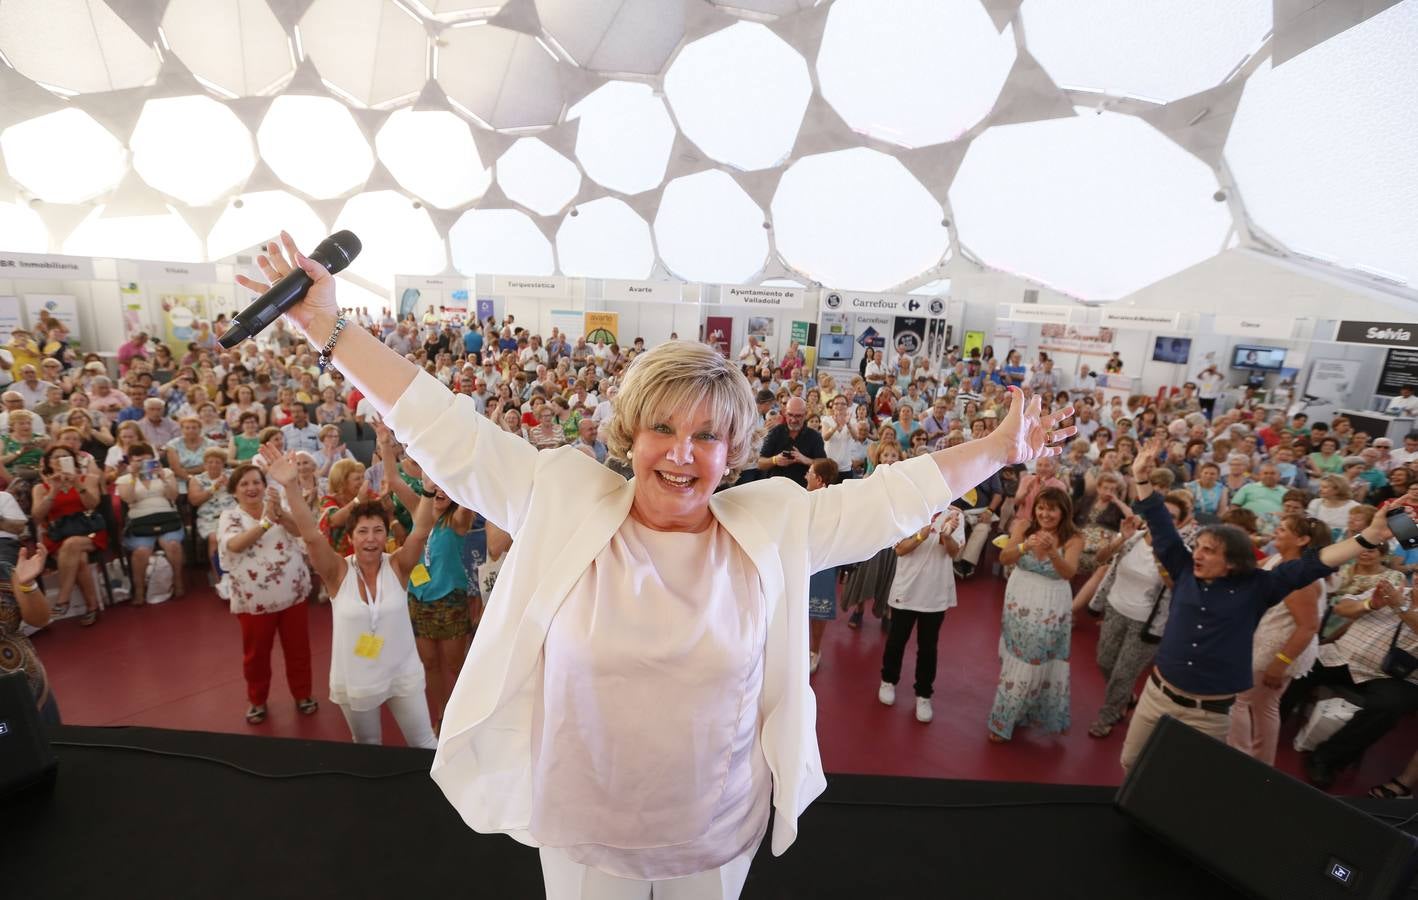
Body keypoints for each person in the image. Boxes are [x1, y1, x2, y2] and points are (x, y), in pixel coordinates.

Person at [234, 230, 1075, 899]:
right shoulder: (562, 496)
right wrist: (329, 326)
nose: (682, 454)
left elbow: (890, 498)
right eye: (663, 430)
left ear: (736, 451)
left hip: (714, 829)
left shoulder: (776, 522)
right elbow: (449, 433)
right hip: (583, 820)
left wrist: (1000, 449)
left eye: (708, 435)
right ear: (628, 436)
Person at [1118, 438, 1391, 773]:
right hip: (1156, 696)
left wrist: (1370, 536)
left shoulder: (1259, 587)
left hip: (1209, 713)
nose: (1197, 554)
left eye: (1208, 550)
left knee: (1189, 779)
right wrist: (1141, 478)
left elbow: (1315, 563)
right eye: (1198, 547)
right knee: (1131, 762)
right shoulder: (1185, 569)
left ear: (1232, 562)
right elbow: (1161, 524)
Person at [264, 446, 438, 749]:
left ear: (386, 535)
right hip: (358, 677)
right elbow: (310, 535)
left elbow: (421, 530)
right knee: (367, 744)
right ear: (351, 536)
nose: (370, 538)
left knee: (424, 743)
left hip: (402, 670)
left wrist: (426, 489)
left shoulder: (397, 566)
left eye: (377, 531)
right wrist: (291, 486)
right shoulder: (337, 573)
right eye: (363, 532)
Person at [216, 462, 320, 725]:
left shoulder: (277, 509)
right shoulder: (230, 517)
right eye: (244, 484)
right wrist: (265, 523)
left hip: (292, 594)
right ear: (235, 490)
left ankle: (303, 695)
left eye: (256, 482)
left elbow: (303, 532)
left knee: (299, 650)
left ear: (265, 486)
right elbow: (235, 545)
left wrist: (280, 515)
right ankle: (257, 700)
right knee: (256, 655)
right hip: (255, 602)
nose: (252, 488)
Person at [1227, 514, 1330, 765]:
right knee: (1264, 706)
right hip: (1267, 643)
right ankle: (1261, 762)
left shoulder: (1301, 580)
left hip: (1275, 652)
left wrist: (1280, 663)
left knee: (1236, 701)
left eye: (1282, 529)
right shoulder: (1279, 559)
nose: (1276, 531)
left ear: (1302, 539)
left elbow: (1308, 627)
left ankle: (1237, 758)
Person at [989, 487, 1082, 742]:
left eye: (1052, 509)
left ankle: (1002, 719)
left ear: (1063, 512)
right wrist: (1023, 545)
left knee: (1032, 661)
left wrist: (1052, 552)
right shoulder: (1023, 526)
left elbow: (1069, 573)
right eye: (1041, 507)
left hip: (1050, 606)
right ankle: (1019, 710)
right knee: (1016, 658)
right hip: (1019, 600)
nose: (1045, 513)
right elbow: (1004, 557)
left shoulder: (1074, 538)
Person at [878, 504, 964, 724]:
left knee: (928, 647)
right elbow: (899, 549)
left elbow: (955, 553)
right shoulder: (909, 510)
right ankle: (888, 680)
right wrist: (920, 536)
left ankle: (923, 695)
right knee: (896, 641)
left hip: (935, 593)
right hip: (906, 590)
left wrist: (946, 536)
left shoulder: (954, 515)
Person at [32, 446, 106, 626]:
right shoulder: (41, 488)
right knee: (78, 558)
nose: (60, 461)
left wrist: (77, 484)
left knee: (72, 544)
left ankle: (62, 599)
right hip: (59, 536)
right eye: (55, 458)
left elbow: (92, 505)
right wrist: (53, 491)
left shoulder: (89, 479)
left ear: (73, 460)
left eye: (65, 457)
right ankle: (91, 607)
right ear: (48, 463)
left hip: (89, 531)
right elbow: (37, 517)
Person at [114, 443, 186, 605]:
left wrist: (162, 478)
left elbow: (174, 496)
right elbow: (129, 499)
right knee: (141, 551)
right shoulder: (125, 478)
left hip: (167, 517)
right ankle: (139, 590)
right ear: (131, 461)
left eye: (147, 460)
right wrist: (133, 477)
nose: (143, 463)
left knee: (173, 544)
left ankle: (178, 580)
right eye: (138, 460)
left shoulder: (165, 472)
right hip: (140, 521)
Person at [1, 544, 60, 722]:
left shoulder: (4, 571)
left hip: (31, 689)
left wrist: (27, 585)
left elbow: (40, 619)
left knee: (56, 746)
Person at [757, 396, 825, 487]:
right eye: (790, 415)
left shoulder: (814, 436)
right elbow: (760, 463)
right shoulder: (775, 432)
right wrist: (775, 460)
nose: (793, 420)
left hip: (802, 490)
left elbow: (824, 466)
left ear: (805, 415)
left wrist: (805, 460)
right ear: (785, 413)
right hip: (776, 489)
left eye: (798, 416)